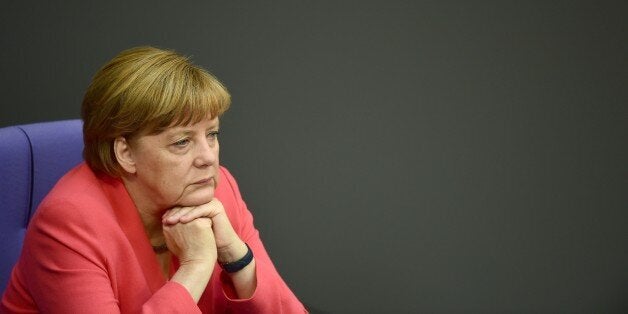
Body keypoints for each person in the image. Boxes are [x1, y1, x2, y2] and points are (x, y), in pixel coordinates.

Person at [1, 46, 307, 313]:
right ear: (125, 153)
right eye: (182, 142)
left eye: (211, 134)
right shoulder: (67, 224)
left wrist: (234, 254)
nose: (208, 157)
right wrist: (196, 267)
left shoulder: (217, 189)